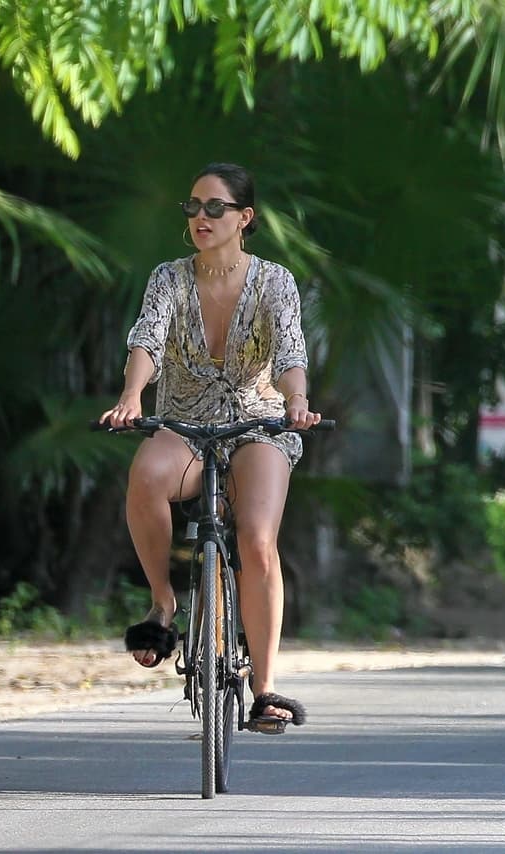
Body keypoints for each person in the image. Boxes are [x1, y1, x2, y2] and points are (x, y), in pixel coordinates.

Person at [100, 162, 321, 732]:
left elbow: (291, 350)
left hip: (259, 423)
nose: (201, 217)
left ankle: (265, 688)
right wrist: (131, 396)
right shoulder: (169, 279)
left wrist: (296, 402)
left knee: (257, 539)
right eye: (193, 207)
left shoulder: (275, 282)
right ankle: (162, 603)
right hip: (185, 421)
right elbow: (148, 337)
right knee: (146, 477)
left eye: (214, 208)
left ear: (243, 218)